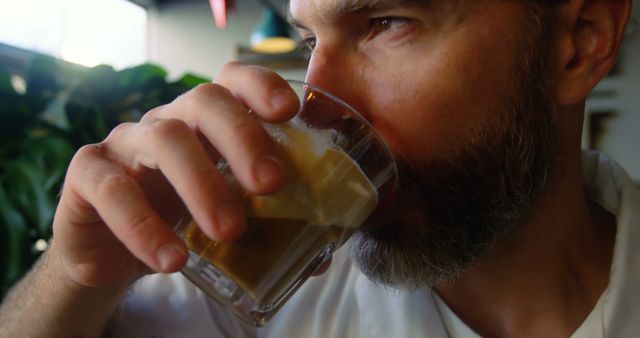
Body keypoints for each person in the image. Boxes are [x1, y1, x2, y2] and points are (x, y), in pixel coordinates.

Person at [0, 0, 637, 336]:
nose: (316, 104)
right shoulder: (269, 280)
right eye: (310, 42)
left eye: (386, 22)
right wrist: (77, 277)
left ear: (579, 40)